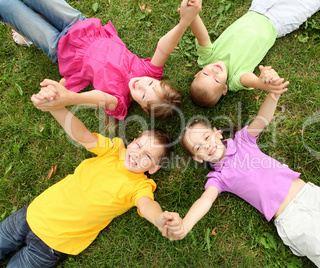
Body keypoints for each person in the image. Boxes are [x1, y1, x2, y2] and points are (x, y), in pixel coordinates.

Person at [171, 72, 320, 267]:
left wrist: (273, 95)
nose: (207, 145)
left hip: (310, 194)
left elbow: (263, 119)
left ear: (218, 133)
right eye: (199, 147)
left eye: (207, 137)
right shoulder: (218, 177)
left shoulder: (242, 140)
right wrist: (186, 224)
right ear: (197, 158)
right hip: (291, 219)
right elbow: (205, 201)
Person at [0, 79, 183, 267]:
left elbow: (147, 205)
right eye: (137, 145)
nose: (137, 154)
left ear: (153, 169)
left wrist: (160, 219)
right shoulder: (114, 149)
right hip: (31, 214)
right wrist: (55, 108)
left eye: (148, 156)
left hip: (53, 244)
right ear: (132, 140)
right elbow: (83, 135)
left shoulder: (140, 186)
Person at [0, 0, 202, 120]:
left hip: (60, 47)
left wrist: (71, 98)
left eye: (142, 95)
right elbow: (163, 48)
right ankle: (25, 35)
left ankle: (25, 36)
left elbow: (102, 100)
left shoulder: (120, 101)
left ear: (141, 107)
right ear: (157, 79)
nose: (141, 85)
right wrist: (185, 21)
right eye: (151, 84)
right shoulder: (148, 71)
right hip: (79, 25)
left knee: (7, 5)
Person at [186, 0, 320, 107]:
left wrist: (193, 15)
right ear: (225, 88)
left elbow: (202, 37)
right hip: (279, 21)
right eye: (217, 81)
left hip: (258, 7)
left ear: (197, 73)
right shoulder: (234, 79)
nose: (214, 72)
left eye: (205, 74)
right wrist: (263, 83)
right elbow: (252, 81)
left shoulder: (206, 58)